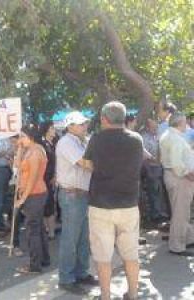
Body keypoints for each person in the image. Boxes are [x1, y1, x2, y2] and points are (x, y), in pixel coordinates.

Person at [82, 101, 144, 300]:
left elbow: (87, 164)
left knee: (102, 256)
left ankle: (106, 296)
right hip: (128, 204)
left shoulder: (96, 139)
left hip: (100, 205)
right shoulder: (136, 139)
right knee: (131, 254)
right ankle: (133, 294)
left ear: (104, 119)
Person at [56, 112, 96, 295]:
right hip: (72, 195)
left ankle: (81, 272)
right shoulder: (66, 142)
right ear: (70, 126)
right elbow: (86, 164)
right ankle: (66, 278)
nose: (84, 126)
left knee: (82, 238)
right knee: (71, 239)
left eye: (85, 123)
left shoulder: (81, 141)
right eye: (80, 124)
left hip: (81, 194)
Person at [15, 125, 50, 274]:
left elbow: (33, 179)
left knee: (33, 231)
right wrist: (19, 148)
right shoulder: (29, 150)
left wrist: (22, 198)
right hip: (33, 194)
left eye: (22, 136)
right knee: (38, 228)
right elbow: (17, 165)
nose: (19, 139)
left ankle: (35, 265)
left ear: (30, 136)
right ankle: (44, 259)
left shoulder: (36, 152)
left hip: (34, 194)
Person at [159, 112, 194, 256]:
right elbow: (177, 165)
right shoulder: (175, 139)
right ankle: (177, 246)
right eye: (185, 122)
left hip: (174, 176)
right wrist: (190, 175)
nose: (187, 124)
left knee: (181, 211)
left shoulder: (169, 135)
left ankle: (188, 238)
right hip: (180, 178)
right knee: (181, 213)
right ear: (180, 123)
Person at [141, 119, 167, 225]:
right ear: (147, 128)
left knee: (160, 192)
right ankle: (155, 216)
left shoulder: (156, 136)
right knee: (153, 193)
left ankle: (161, 213)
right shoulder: (144, 138)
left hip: (159, 168)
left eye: (156, 127)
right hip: (150, 169)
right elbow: (144, 157)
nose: (156, 129)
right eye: (153, 128)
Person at [39, 121, 57, 239]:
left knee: (51, 204)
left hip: (52, 177)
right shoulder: (43, 145)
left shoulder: (52, 143)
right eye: (52, 128)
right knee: (48, 204)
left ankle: (50, 229)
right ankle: (49, 231)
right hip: (45, 178)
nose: (54, 130)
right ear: (46, 130)